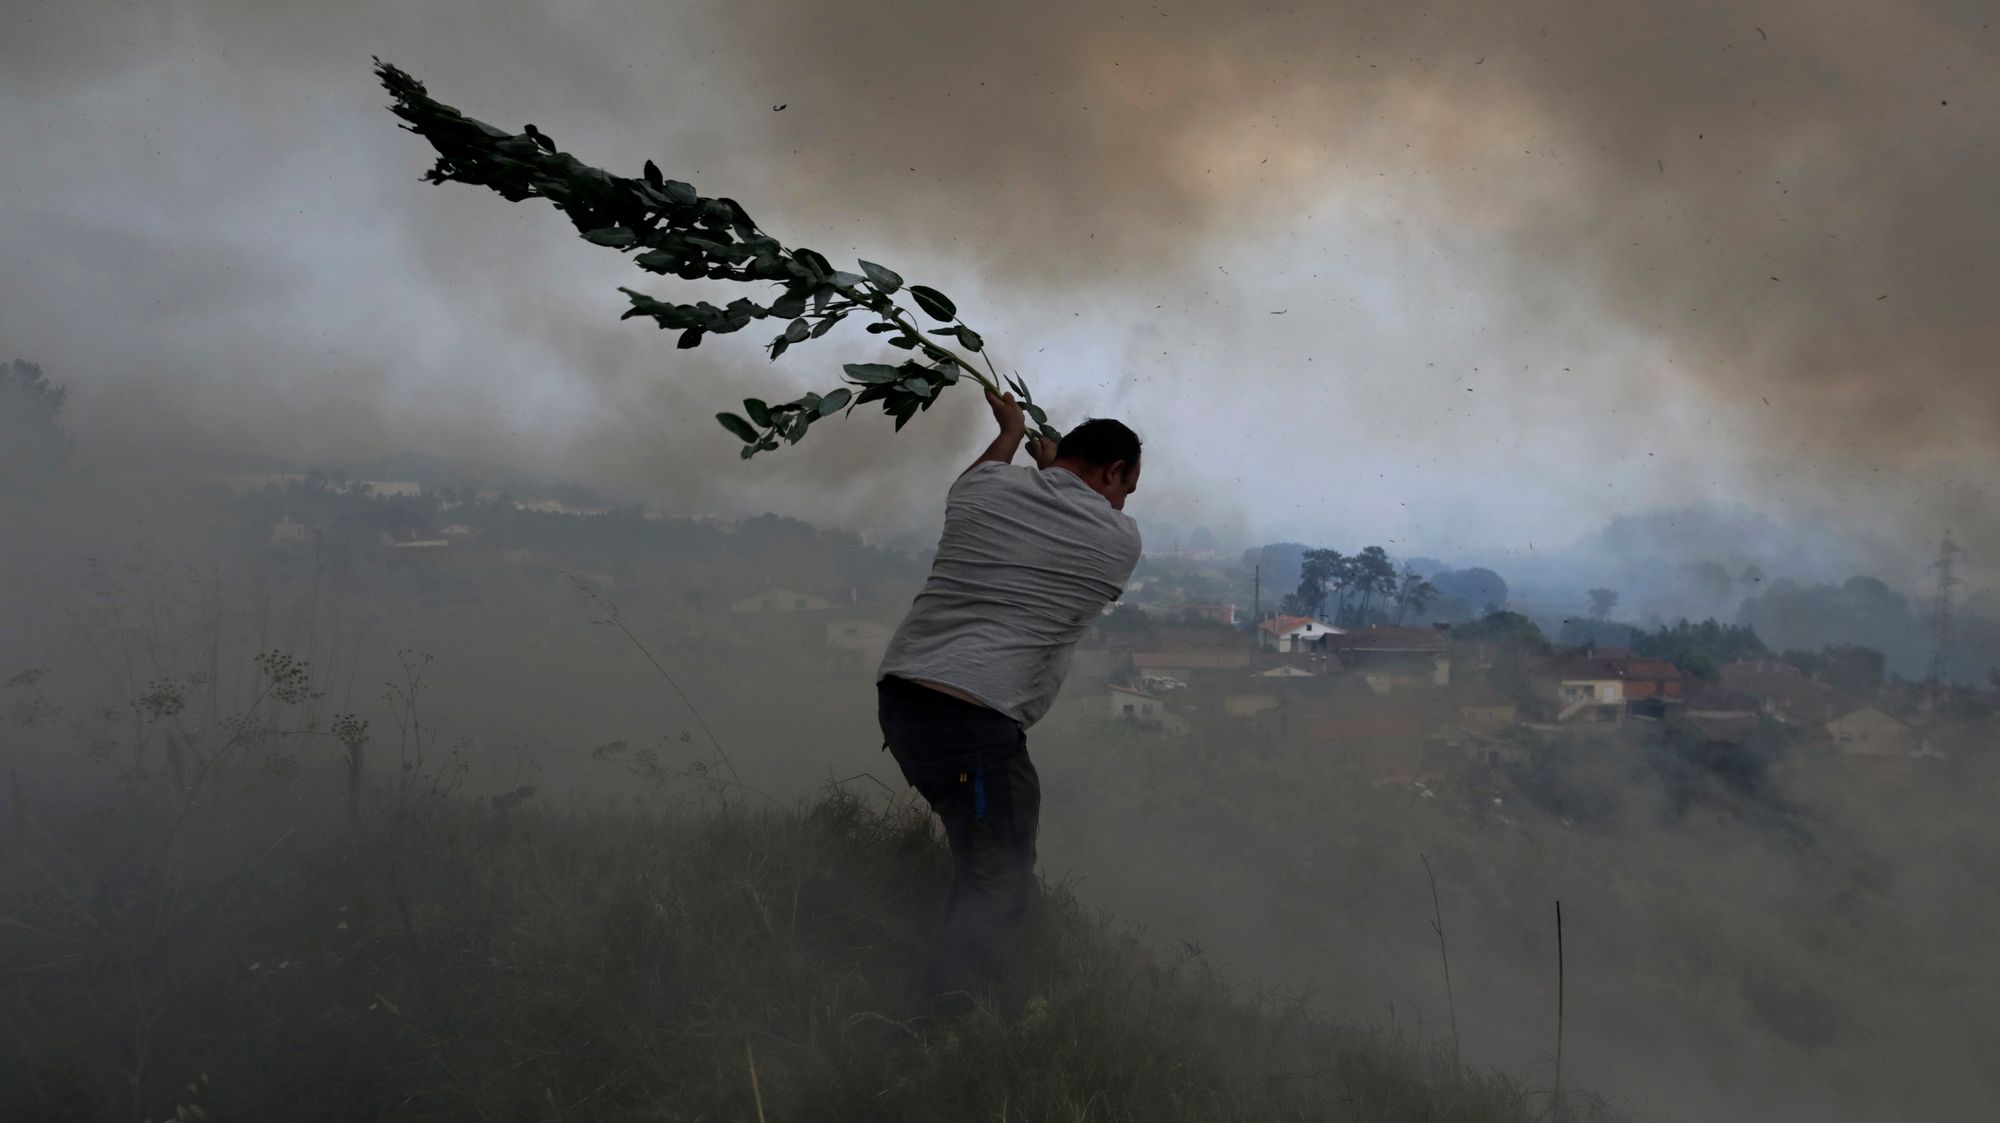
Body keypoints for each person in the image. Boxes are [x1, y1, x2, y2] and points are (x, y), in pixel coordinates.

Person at [876, 386, 1143, 1018]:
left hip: (904, 702)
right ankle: (931, 1028)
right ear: (1112, 470)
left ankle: (996, 999)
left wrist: (1009, 430)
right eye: (1126, 486)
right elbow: (1069, 517)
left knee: (984, 860)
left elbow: (989, 479)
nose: (1124, 500)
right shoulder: (1119, 541)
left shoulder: (981, 492)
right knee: (1000, 886)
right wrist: (1052, 467)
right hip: (971, 732)